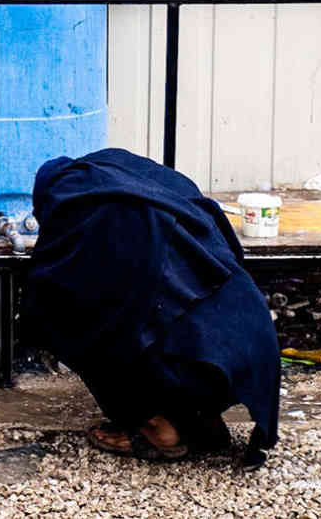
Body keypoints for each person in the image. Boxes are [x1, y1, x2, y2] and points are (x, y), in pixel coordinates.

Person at [21, 149, 280, 466]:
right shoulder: (131, 180)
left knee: (81, 322)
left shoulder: (80, 209)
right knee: (163, 310)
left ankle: (160, 428)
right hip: (251, 343)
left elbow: (53, 302)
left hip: (195, 363)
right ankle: (198, 416)